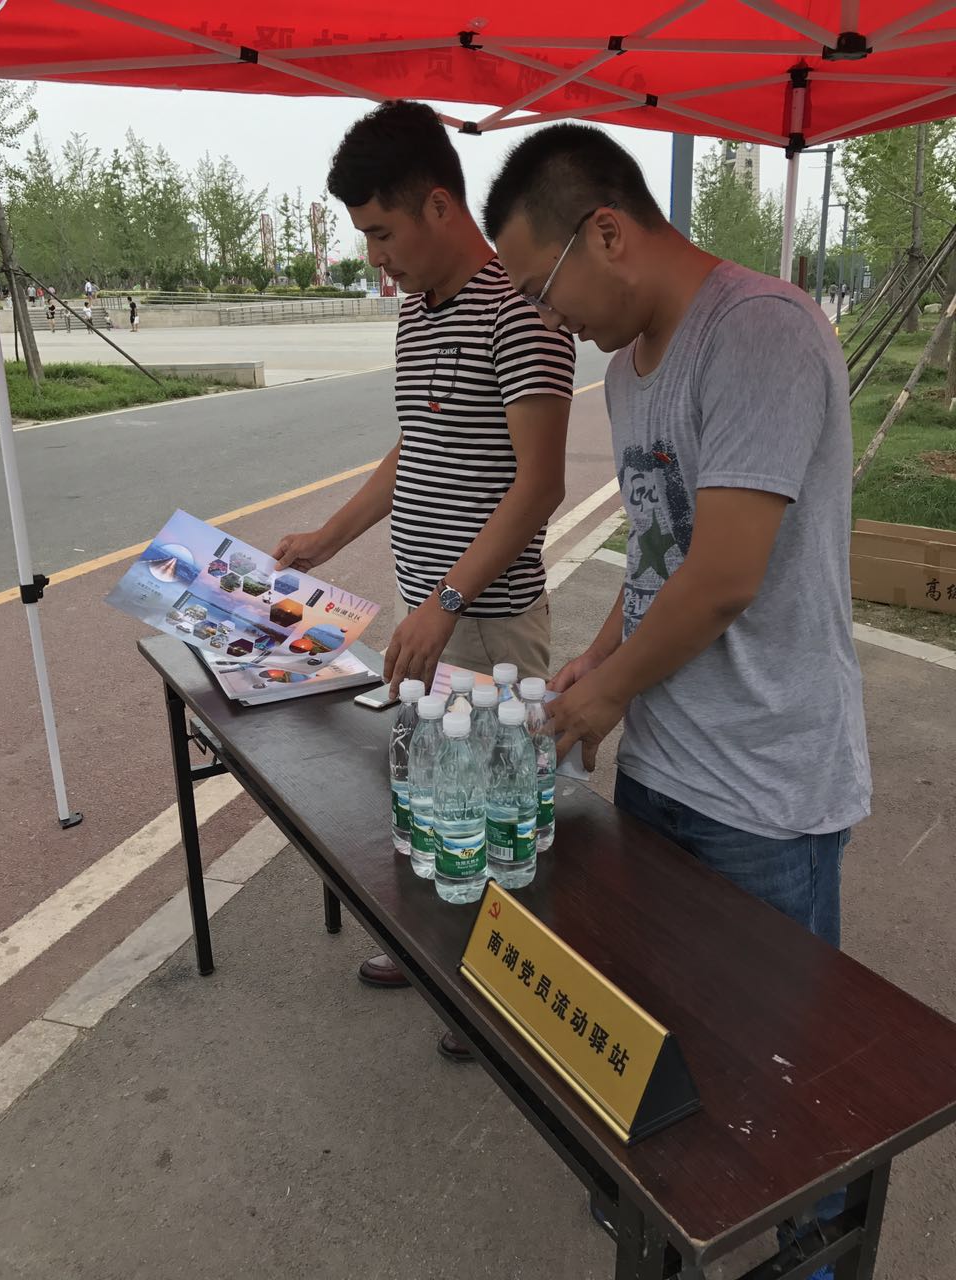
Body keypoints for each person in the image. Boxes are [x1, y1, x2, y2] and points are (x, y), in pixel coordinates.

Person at [484, 124, 870, 1278]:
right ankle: (678, 1214)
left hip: (766, 787)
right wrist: (596, 659)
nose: (545, 321)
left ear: (607, 232)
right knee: (669, 1028)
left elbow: (725, 576)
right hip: (666, 765)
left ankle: (813, 1247)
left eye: (542, 289)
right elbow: (661, 556)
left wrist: (604, 694)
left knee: (787, 1064)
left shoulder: (760, 332)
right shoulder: (625, 373)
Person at [273, 100, 575, 1049]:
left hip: (486, 618)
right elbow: (418, 446)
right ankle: (438, 944)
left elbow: (540, 485)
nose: (377, 258)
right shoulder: (417, 315)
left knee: (497, 807)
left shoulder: (523, 313)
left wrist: (449, 600)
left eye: (382, 233)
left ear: (439, 205)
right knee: (436, 794)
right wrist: (328, 538)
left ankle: (492, 990)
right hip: (431, 608)